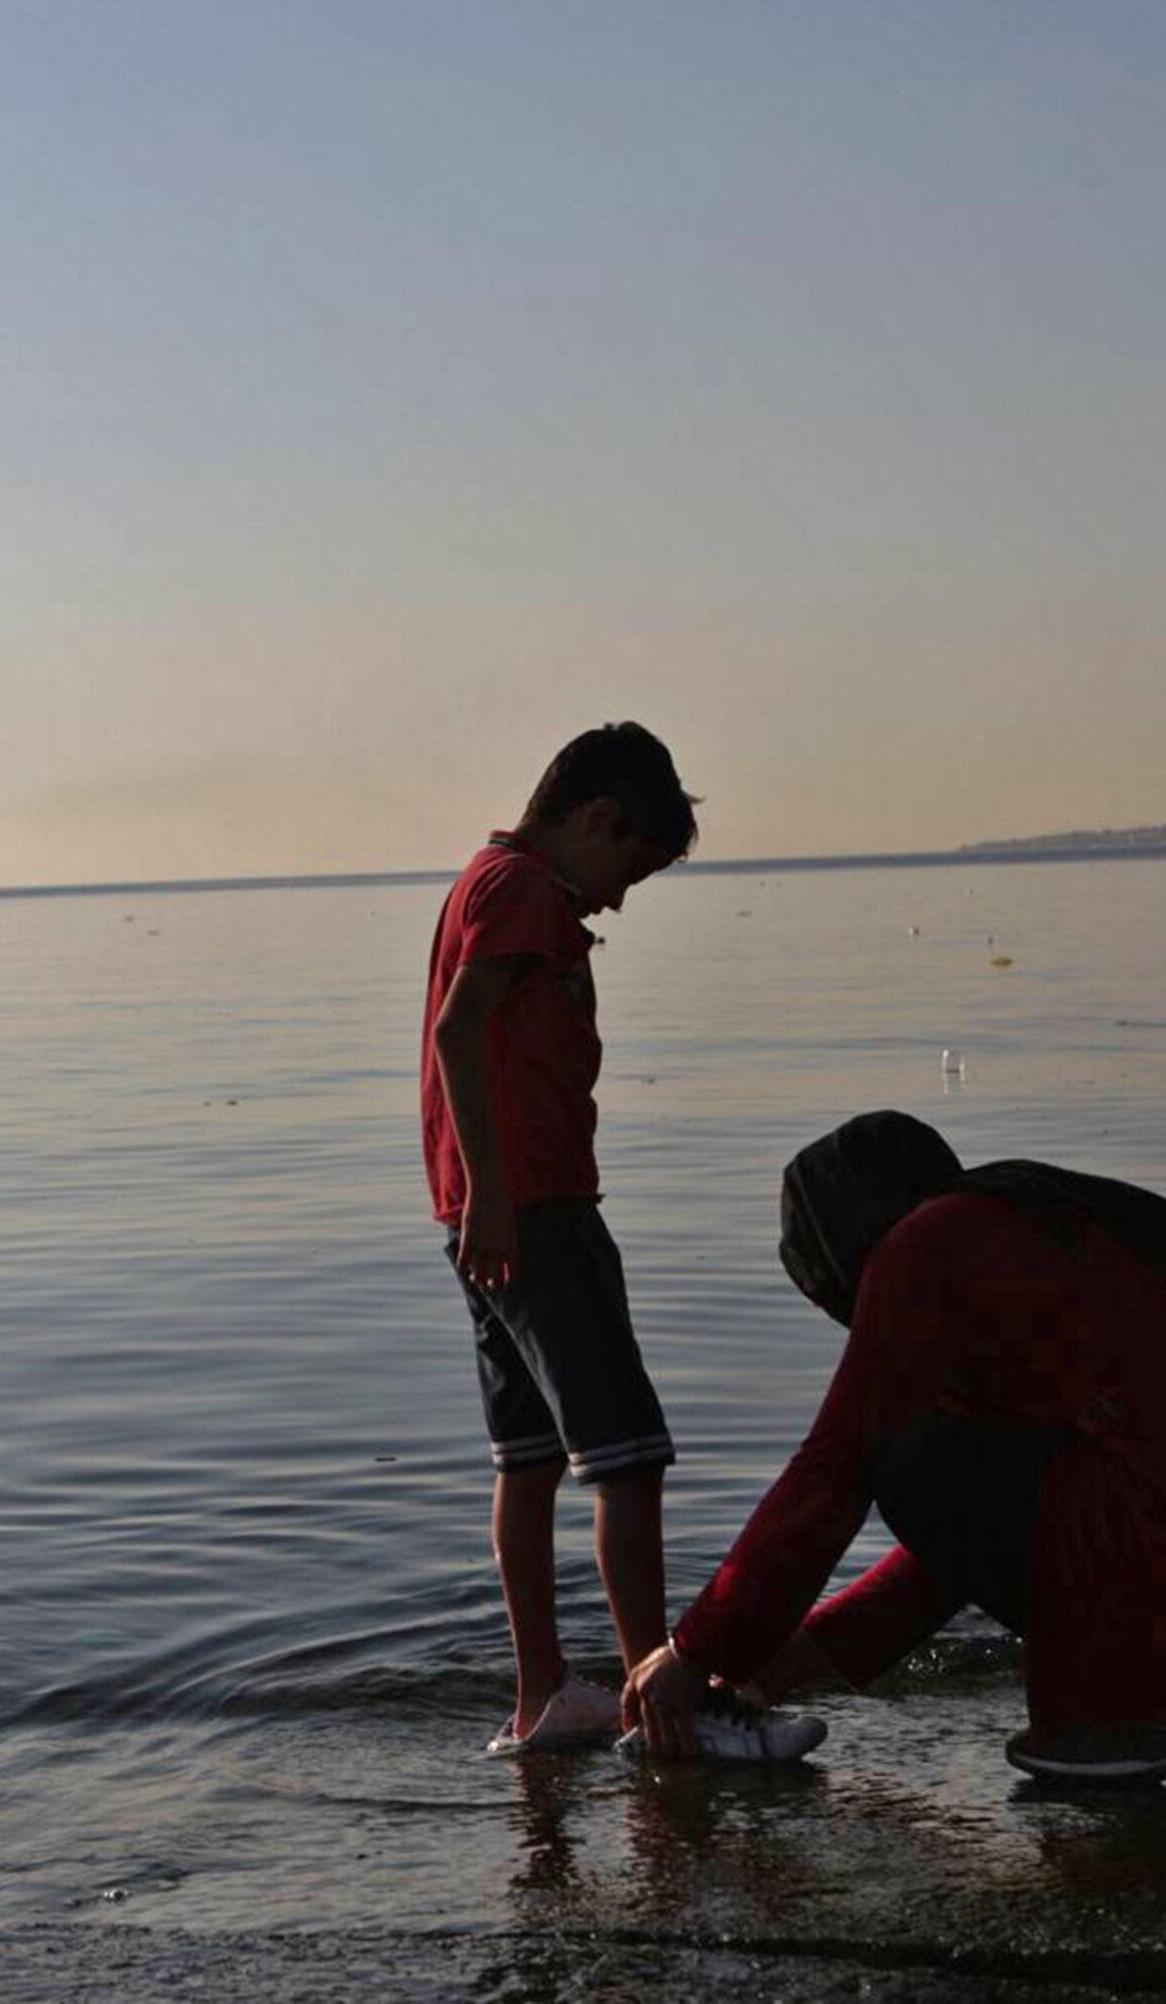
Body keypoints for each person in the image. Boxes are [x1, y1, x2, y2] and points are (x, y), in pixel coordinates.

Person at [621, 1111, 1166, 1780]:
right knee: (1053, 1466)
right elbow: (993, 1537)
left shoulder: (926, 1247)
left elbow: (837, 1471)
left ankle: (1129, 1724)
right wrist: (785, 1663)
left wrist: (695, 1652)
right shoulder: (1048, 1227)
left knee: (910, 1458)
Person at [423, 724, 823, 1762]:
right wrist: (502, 1198)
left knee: (529, 1458)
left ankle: (546, 1694)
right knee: (627, 1458)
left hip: (486, 1209)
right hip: (535, 1212)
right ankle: (669, 1708)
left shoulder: (488, 877)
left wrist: (476, 1199)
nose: (617, 899)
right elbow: (461, 1033)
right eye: (629, 868)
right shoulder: (527, 893)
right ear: (597, 820)